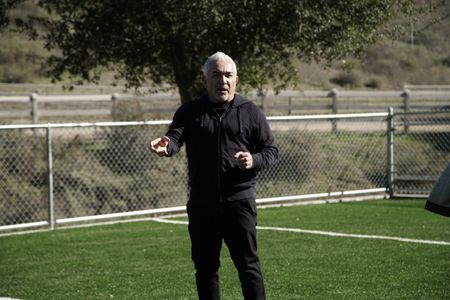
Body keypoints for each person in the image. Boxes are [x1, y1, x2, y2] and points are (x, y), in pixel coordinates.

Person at [150, 52, 278, 300]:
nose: (223, 81)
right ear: (204, 80)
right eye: (216, 75)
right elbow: (175, 138)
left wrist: (254, 160)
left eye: (228, 75)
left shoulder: (251, 112)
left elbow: (271, 151)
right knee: (206, 270)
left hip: (239, 203)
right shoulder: (189, 112)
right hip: (202, 205)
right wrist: (167, 145)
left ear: (236, 80)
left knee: (248, 268)